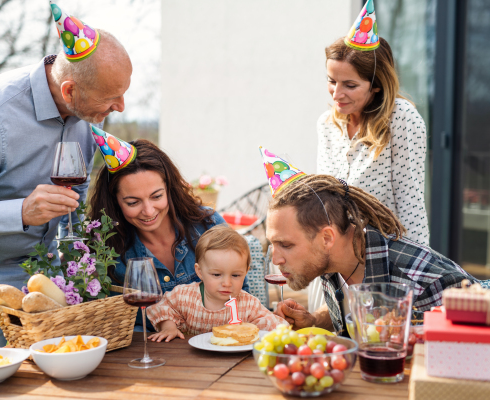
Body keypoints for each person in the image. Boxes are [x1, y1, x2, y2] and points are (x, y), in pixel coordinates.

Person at [0, 3, 132, 351]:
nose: (121, 107)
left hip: (46, 276)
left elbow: (74, 199)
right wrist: (21, 212)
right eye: (112, 98)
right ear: (69, 91)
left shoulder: (88, 108)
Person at [310, 0, 429, 313]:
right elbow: (323, 200)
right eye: (331, 81)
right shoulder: (327, 124)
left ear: (376, 86)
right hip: (336, 261)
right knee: (331, 343)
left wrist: (416, 276)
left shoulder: (401, 118)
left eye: (350, 85)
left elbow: (411, 203)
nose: (336, 95)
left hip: (385, 263)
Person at [266, 174, 481, 335]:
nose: (276, 259)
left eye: (285, 244)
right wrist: (314, 320)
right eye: (272, 244)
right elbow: (357, 308)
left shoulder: (428, 284)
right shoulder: (328, 260)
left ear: (327, 238)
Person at [89, 138, 250, 330]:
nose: (148, 211)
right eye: (133, 202)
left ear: (169, 189)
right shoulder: (106, 251)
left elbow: (243, 297)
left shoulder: (209, 225)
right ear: (114, 202)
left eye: (157, 196)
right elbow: (117, 324)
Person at [146, 225, 287, 342]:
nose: (226, 283)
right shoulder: (184, 296)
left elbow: (276, 327)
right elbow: (163, 306)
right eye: (217, 275)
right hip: (190, 362)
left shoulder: (249, 305)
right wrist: (169, 327)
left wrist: (281, 324)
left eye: (236, 275)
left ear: (246, 272)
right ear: (199, 272)